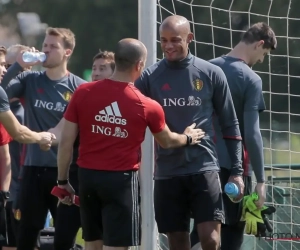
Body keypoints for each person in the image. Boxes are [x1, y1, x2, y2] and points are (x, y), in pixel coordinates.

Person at [56, 38, 205, 250]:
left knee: (92, 244)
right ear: (139, 66)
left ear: (115, 61)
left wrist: (62, 180)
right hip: (121, 182)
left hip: (87, 177)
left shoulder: (83, 92)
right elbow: (168, 141)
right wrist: (188, 137)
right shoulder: (146, 105)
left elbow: (66, 142)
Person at [134, 15, 244, 250]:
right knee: (177, 241)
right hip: (167, 171)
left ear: (190, 38)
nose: (168, 46)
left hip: (203, 167)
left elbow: (230, 123)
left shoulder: (211, 73)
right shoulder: (149, 77)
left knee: (211, 239)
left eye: (175, 40)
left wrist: (236, 172)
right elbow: (132, 114)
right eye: (163, 40)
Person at [190, 22, 277, 250]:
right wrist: (261, 180)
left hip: (199, 165)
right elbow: (252, 133)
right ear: (259, 44)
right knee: (229, 238)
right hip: (233, 170)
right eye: (264, 54)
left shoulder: (205, 69)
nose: (262, 60)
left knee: (201, 231)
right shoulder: (250, 79)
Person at [1, 27, 86, 250]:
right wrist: (18, 65)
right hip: (33, 170)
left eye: (52, 46)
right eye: (45, 45)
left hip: (66, 173)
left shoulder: (79, 87)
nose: (46, 50)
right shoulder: (30, 79)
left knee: (64, 239)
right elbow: (1, 92)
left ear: (67, 52)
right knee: (27, 235)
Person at [2, 44, 30, 250]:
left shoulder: (35, 100)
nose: (7, 71)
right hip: (8, 191)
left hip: (25, 189)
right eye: (6, 65)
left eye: (9, 66)